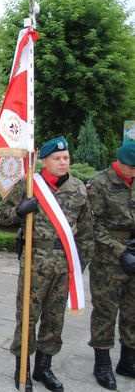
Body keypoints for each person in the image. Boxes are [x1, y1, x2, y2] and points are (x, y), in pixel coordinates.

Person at [0, 136, 93, 392]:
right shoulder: (29, 185)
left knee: (54, 319)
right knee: (27, 318)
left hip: (64, 266)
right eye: (57, 159)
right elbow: (0, 216)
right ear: (44, 161)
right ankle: (23, 369)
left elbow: (85, 232)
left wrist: (78, 264)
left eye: (66, 158)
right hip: (34, 264)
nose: (63, 163)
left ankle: (44, 367)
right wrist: (19, 211)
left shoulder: (78, 188)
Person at [87, 141, 135, 390]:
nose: (134, 172)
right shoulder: (100, 184)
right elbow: (94, 225)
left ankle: (128, 359)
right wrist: (120, 251)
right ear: (119, 163)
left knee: (133, 310)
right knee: (105, 311)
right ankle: (102, 362)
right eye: (131, 167)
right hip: (108, 258)